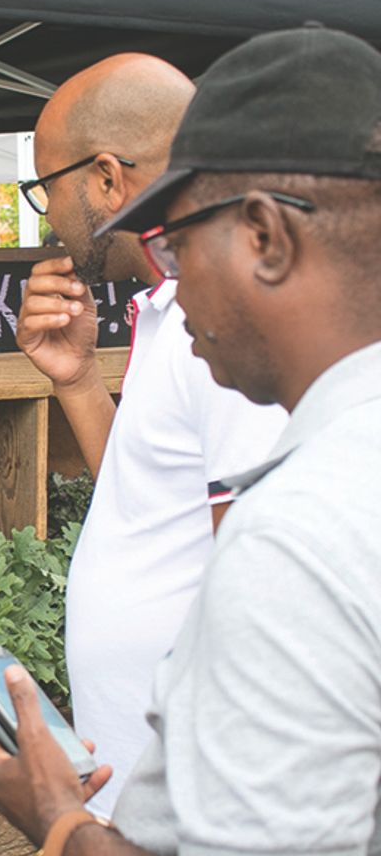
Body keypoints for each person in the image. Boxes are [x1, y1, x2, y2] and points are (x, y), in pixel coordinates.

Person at [0, 25, 381, 856]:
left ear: (268, 239)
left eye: (184, 232)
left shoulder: (294, 537)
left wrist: (56, 817)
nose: (167, 269)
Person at [16, 53, 286, 817]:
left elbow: (262, 595)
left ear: (106, 178)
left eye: (49, 189)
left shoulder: (228, 315)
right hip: (147, 796)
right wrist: (76, 381)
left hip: (206, 812)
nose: (49, 218)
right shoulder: (174, 303)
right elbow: (151, 504)